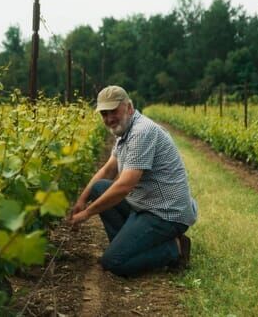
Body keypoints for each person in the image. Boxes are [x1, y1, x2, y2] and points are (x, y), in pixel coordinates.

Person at [68, 85, 198, 277]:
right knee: (99, 188)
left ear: (129, 107)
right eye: (104, 113)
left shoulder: (141, 132)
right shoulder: (124, 132)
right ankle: (130, 247)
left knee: (113, 263)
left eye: (113, 111)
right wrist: (82, 200)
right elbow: (108, 170)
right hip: (145, 205)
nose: (108, 118)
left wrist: (88, 213)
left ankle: (175, 248)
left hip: (165, 214)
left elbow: (125, 185)